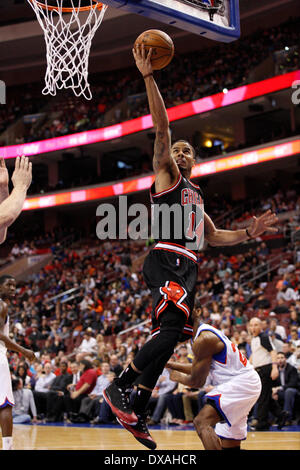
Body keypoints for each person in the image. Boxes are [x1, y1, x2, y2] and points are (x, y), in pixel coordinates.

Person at [103, 44, 279, 450]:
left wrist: (249, 234)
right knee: (170, 329)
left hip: (188, 266)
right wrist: (149, 78)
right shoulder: (167, 176)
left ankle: (139, 407)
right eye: (177, 149)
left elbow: (215, 237)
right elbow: (163, 130)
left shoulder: (196, 196)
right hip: (165, 257)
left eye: (188, 151)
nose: (180, 152)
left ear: (195, 163)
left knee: (176, 333)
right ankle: (120, 388)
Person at [166, 311, 261, 450]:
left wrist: (177, 376)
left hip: (240, 383)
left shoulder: (204, 338)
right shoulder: (199, 337)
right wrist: (169, 364)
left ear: (195, 312)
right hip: (242, 383)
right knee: (230, 445)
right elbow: (197, 367)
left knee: (201, 422)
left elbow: (197, 381)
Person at [0, 275, 35, 450]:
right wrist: (24, 350)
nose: (13, 288)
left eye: (14, 285)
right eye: (9, 285)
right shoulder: (1, 305)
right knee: (5, 404)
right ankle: (8, 447)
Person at [249, 317, 282, 430]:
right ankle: (282, 415)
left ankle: (262, 423)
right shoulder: (254, 339)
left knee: (262, 396)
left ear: (261, 326)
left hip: (266, 369)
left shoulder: (263, 337)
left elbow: (273, 351)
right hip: (258, 370)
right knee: (265, 396)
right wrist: (248, 365)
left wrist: (275, 367)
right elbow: (255, 354)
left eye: (256, 325)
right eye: (251, 325)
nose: (253, 327)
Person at [271, 351, 299, 427]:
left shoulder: (292, 369)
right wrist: (274, 391)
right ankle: (271, 419)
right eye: (278, 358)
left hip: (293, 391)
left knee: (289, 391)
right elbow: (271, 383)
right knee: (268, 393)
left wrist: (279, 388)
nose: (280, 360)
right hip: (281, 392)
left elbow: (293, 383)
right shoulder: (274, 370)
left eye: (282, 358)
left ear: (285, 359)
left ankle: (287, 419)